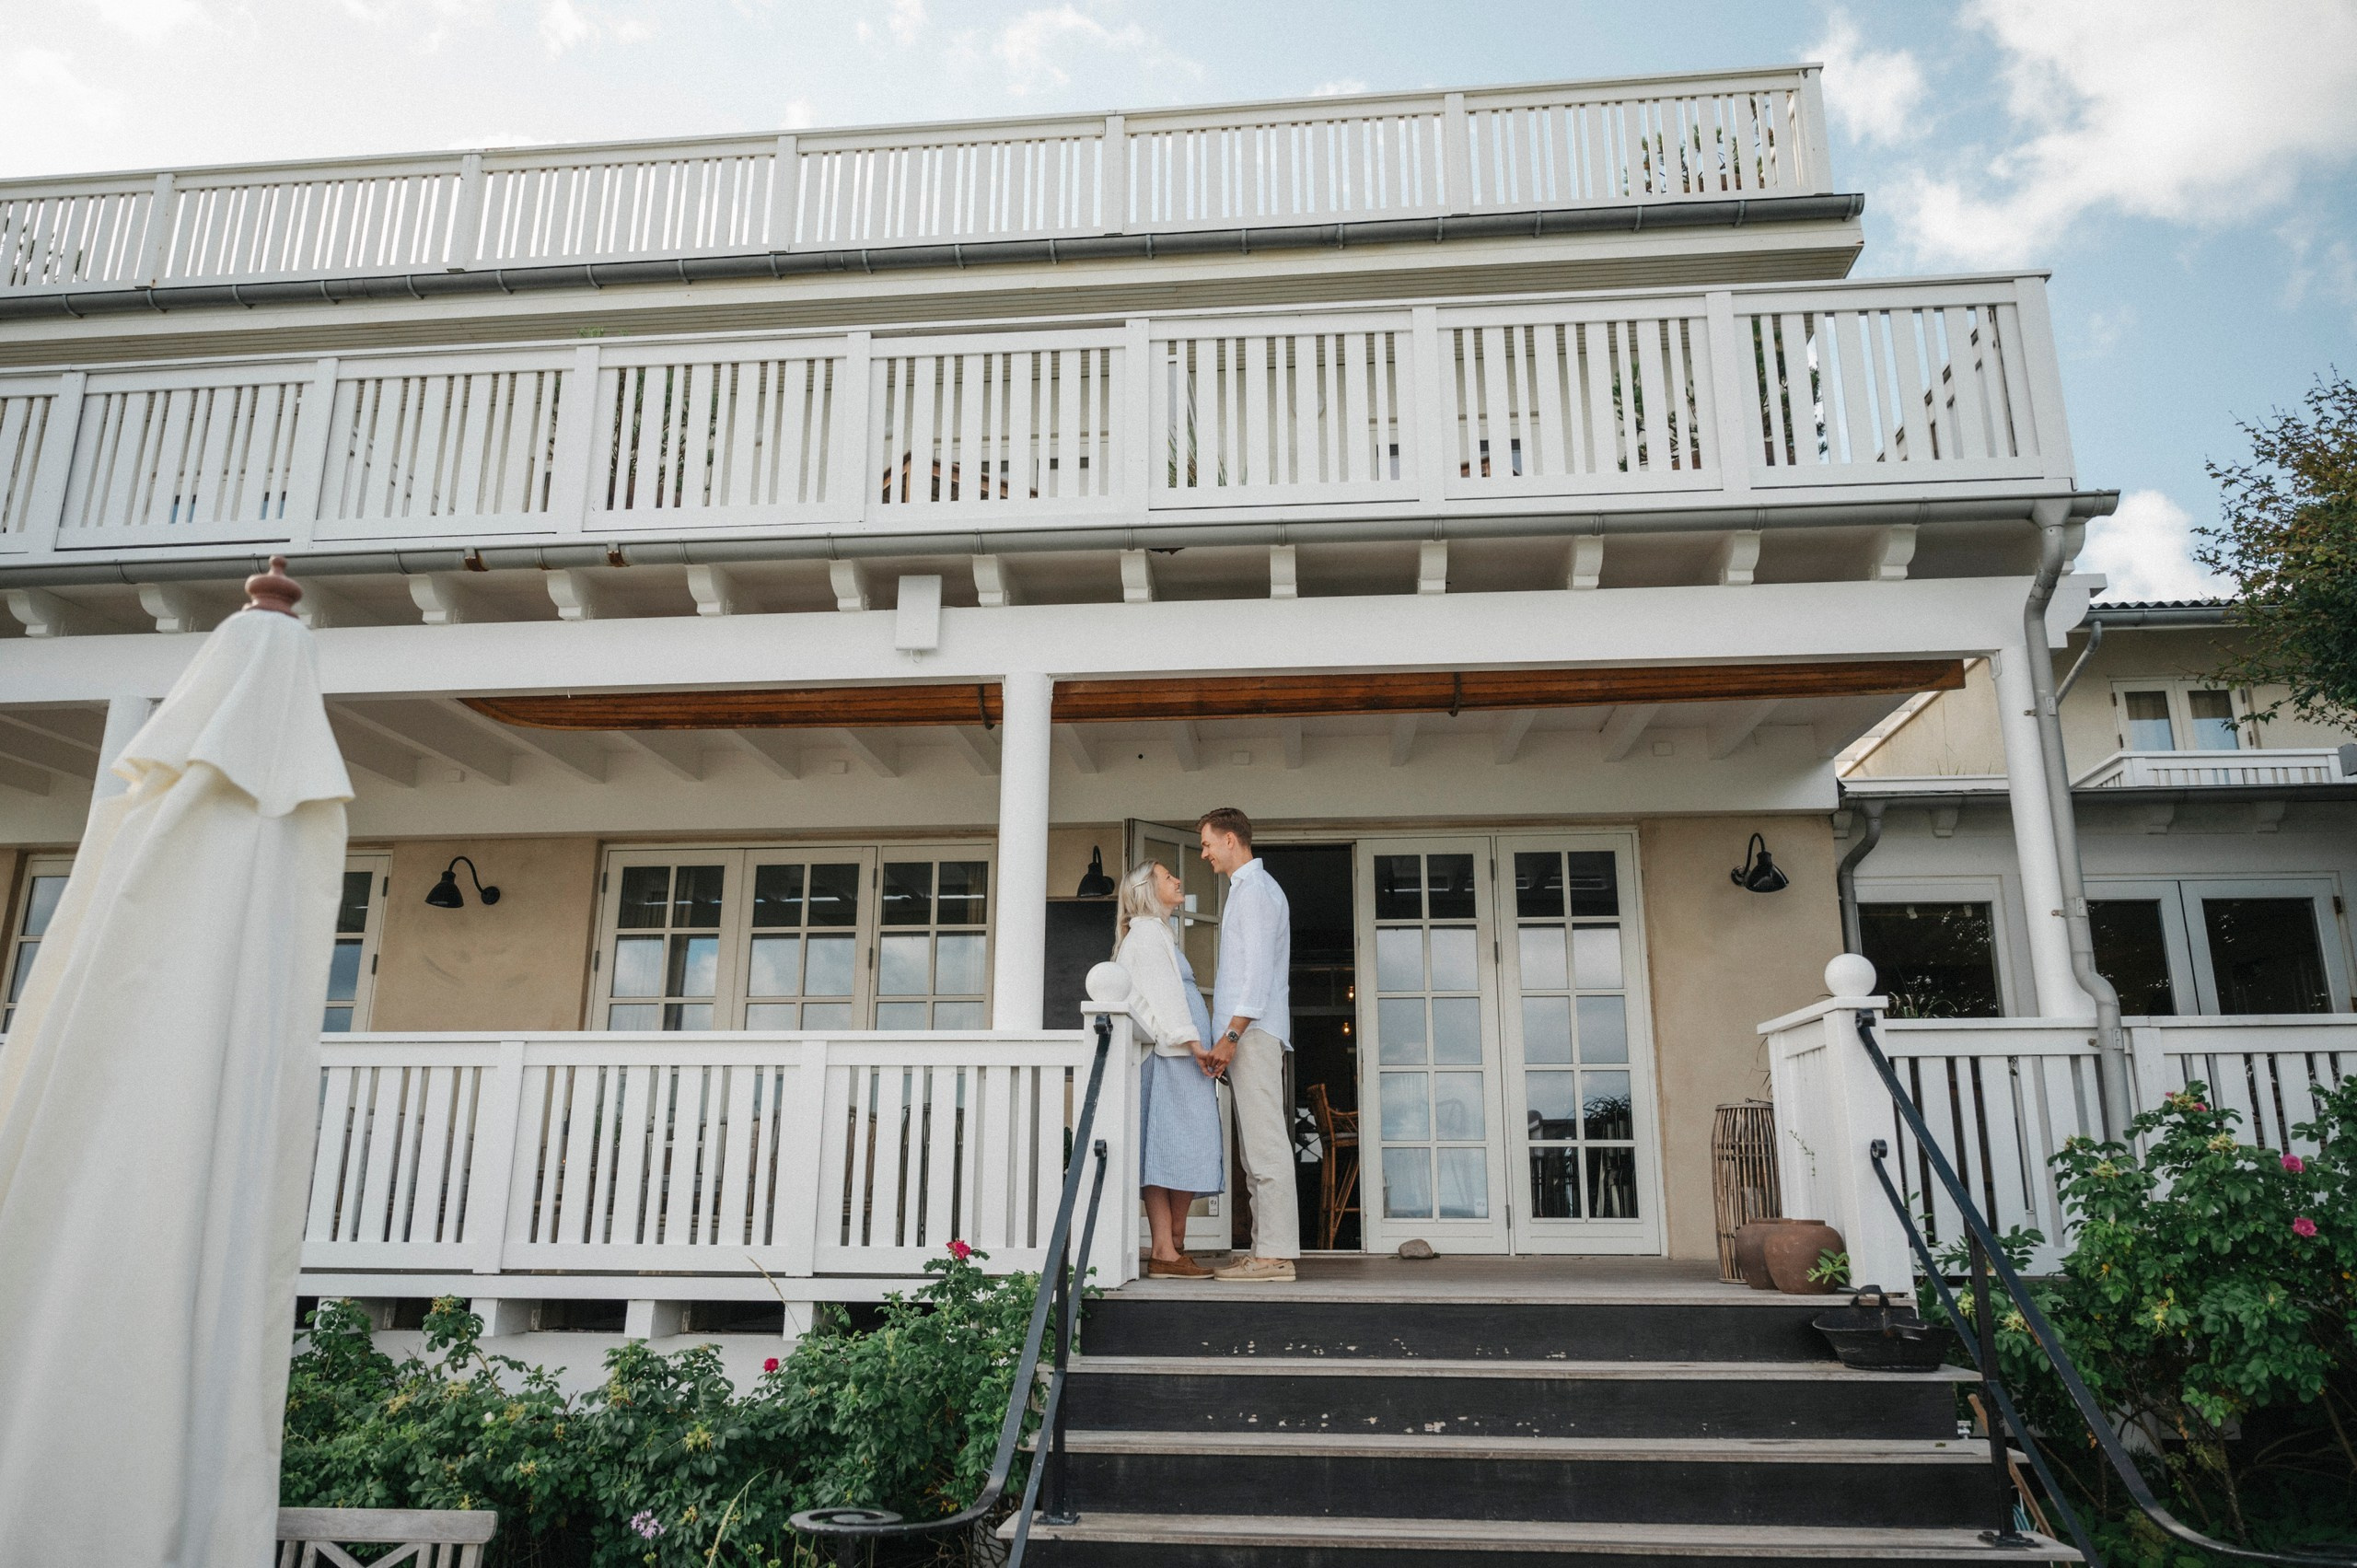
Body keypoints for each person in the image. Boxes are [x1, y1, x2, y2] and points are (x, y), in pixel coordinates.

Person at [1197, 807, 1297, 1283]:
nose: (1204, 853)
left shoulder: (1257, 892)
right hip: (1248, 1034)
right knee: (1252, 1148)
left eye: (1208, 844)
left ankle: (1276, 1255)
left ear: (1231, 839)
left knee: (1265, 1144)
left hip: (1253, 1034)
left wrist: (1231, 1037)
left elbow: (1256, 977)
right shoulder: (1247, 891)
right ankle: (1263, 1249)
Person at [1113, 860, 1224, 1279]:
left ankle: (1174, 1240)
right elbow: (1163, 996)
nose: (1177, 880)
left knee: (1180, 1143)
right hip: (1171, 1056)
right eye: (1166, 876)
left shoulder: (1157, 933)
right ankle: (1166, 1245)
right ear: (1146, 888)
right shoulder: (1146, 933)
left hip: (1178, 1056)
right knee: (1167, 1144)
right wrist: (1197, 1046)